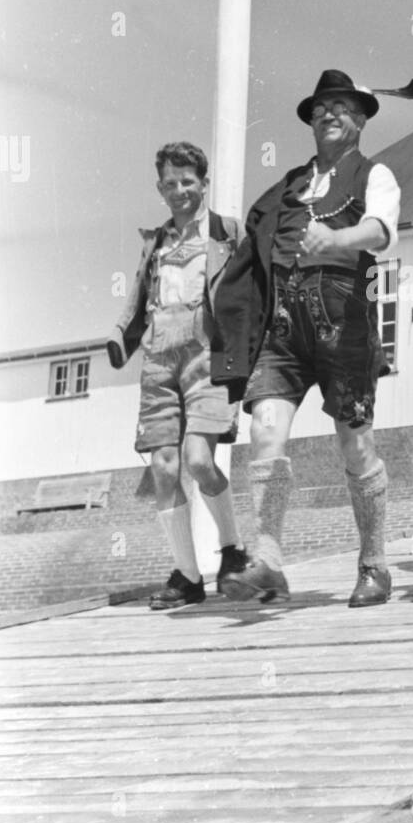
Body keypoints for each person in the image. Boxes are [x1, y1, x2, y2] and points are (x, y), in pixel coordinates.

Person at [210, 70, 400, 608]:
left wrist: (337, 237)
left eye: (342, 108)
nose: (330, 115)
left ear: (361, 119)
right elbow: (256, 233)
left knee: (355, 444)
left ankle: (374, 564)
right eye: (321, 108)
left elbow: (381, 232)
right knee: (265, 431)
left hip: (344, 319)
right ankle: (268, 560)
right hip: (284, 325)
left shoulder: (375, 174)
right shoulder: (289, 185)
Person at [106, 142, 248, 610]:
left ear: (203, 183)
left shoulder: (228, 232)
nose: (179, 190)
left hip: (207, 356)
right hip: (159, 360)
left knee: (200, 461)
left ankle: (232, 550)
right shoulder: (158, 241)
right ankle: (188, 577)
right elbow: (137, 301)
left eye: (188, 181)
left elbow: (255, 291)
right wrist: (119, 338)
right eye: (170, 183)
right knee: (165, 469)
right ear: (159, 188)